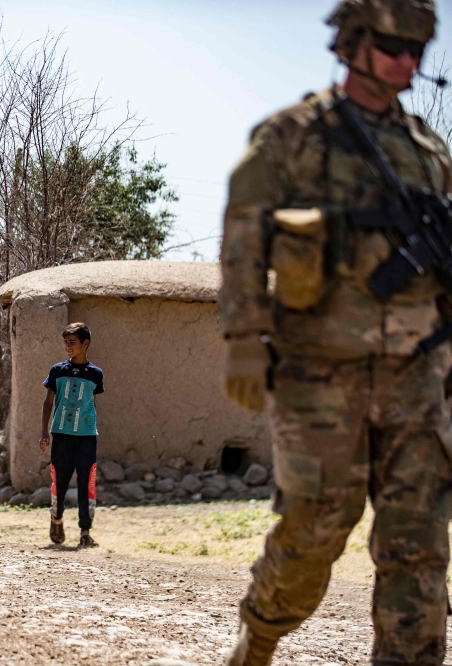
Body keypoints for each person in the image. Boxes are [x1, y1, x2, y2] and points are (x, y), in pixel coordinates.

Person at [219, 2, 452, 664]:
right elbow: (243, 236)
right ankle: (259, 639)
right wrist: (242, 338)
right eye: (392, 46)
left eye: (417, 50)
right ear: (352, 42)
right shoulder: (292, 136)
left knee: (419, 548)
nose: (408, 62)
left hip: (417, 378)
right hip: (320, 376)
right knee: (313, 534)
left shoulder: (428, 151)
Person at [39, 322, 104, 549]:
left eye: (72, 342)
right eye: (65, 342)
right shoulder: (58, 370)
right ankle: (56, 518)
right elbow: (48, 402)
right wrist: (44, 431)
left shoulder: (96, 374)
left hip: (86, 437)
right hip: (61, 435)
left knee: (87, 482)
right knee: (61, 480)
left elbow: (92, 404)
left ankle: (85, 532)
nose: (67, 346)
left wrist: (92, 430)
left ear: (85, 344)